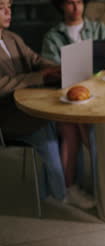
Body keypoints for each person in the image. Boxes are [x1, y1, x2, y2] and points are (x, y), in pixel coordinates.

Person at [40, 0, 105, 209]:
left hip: (102, 97)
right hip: (67, 98)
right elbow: (48, 71)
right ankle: (72, 188)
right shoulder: (52, 37)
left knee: (91, 131)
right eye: (70, 3)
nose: (76, 8)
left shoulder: (100, 29)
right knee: (71, 128)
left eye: (79, 2)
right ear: (61, 6)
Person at [0, 0, 66, 201]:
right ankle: (61, 195)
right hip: (6, 114)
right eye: (1, 7)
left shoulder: (11, 37)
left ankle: (55, 186)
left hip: (26, 106)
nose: (8, 12)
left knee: (66, 122)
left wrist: (57, 68)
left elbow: (36, 60)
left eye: (9, 7)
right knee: (47, 130)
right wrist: (40, 77)